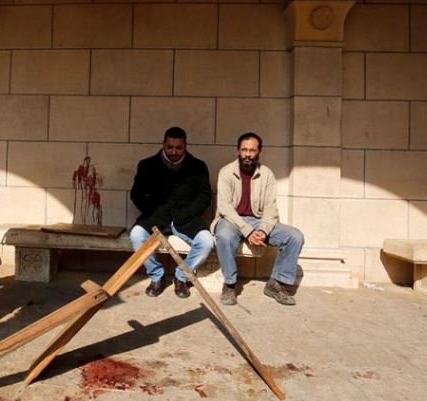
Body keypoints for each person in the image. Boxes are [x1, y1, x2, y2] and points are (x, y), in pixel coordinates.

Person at [212, 132, 304, 306]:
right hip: (230, 220)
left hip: (257, 220)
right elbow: (225, 208)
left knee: (295, 236)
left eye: (252, 150)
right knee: (223, 235)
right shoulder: (226, 172)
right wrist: (248, 231)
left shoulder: (266, 174)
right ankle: (230, 284)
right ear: (238, 151)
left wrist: (262, 230)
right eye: (244, 150)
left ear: (259, 152)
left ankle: (276, 284)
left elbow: (271, 208)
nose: (247, 154)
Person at [129, 126, 214, 298]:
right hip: (155, 218)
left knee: (206, 242)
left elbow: (205, 197)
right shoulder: (146, 165)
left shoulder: (198, 166)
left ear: (185, 146)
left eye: (178, 147)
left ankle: (181, 277)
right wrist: (154, 210)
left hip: (186, 219)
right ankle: (156, 277)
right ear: (163, 145)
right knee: (136, 235)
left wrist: (186, 213)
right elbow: (136, 194)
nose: (174, 151)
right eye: (170, 147)